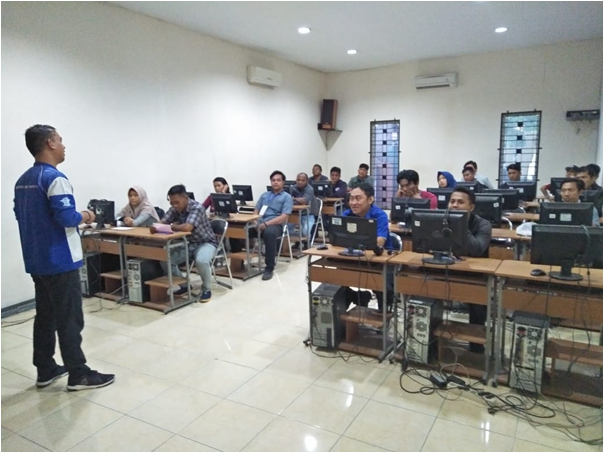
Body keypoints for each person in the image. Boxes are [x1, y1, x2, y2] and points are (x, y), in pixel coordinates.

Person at [13, 125, 115, 391]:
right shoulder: (54, 178)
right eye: (60, 140)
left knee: (45, 316)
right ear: (50, 143)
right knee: (70, 318)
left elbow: (19, 215)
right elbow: (66, 217)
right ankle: (79, 374)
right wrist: (88, 215)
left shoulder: (22, 181)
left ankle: (45, 368)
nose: (63, 145)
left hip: (37, 260)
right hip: (60, 260)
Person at [151, 185, 217, 302]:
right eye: (172, 203)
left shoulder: (197, 208)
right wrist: (156, 226)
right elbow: (162, 222)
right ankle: (185, 286)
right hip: (188, 243)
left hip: (206, 243)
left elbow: (187, 228)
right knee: (165, 259)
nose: (175, 206)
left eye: (177, 202)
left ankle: (206, 289)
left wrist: (170, 226)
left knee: (201, 261)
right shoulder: (174, 209)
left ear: (185, 197)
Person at [448, 187, 493, 353]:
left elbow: (477, 249)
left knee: (478, 302)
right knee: (421, 286)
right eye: (452, 201)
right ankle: (429, 336)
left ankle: (475, 344)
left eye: (460, 202)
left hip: (474, 273)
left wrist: (460, 225)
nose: (454, 205)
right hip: (446, 268)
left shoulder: (483, 225)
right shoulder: (440, 219)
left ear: (471, 207)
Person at [343, 183, 393, 311]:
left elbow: (379, 242)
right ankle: (358, 297)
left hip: (379, 261)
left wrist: (353, 242)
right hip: (353, 257)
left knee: (383, 285)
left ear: (370, 199)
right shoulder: (346, 215)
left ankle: (384, 313)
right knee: (334, 278)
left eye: (358, 198)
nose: (353, 203)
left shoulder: (380, 215)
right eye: (351, 199)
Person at [254, 170, 293, 281]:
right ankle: (238, 263)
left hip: (276, 224)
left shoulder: (287, 197)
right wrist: (255, 222)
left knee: (269, 233)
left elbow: (284, 216)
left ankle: (269, 267)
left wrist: (266, 224)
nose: (275, 182)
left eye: (278, 180)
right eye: (273, 180)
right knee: (240, 230)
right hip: (259, 223)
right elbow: (255, 211)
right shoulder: (264, 195)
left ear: (283, 182)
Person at [289, 172, 315, 249]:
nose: (300, 182)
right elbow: (287, 201)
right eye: (298, 180)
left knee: (305, 231)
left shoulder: (310, 189)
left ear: (307, 181)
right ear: (296, 180)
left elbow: (304, 201)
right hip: (295, 214)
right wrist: (297, 200)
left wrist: (294, 199)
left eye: (303, 180)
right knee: (286, 229)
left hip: (308, 214)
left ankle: (306, 241)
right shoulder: (292, 188)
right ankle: (299, 240)